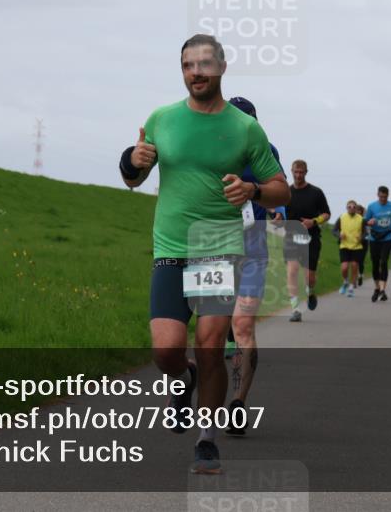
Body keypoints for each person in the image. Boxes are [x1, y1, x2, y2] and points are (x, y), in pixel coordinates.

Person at [119, 34, 289, 474]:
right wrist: (132, 159)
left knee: (211, 344)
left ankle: (207, 439)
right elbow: (133, 181)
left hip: (217, 247)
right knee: (166, 350)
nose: (196, 72)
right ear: (182, 70)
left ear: (221, 67)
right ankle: (183, 379)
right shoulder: (162, 118)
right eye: (187, 65)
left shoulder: (245, 127)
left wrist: (252, 188)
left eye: (204, 64)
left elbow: (279, 190)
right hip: (172, 246)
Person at [224, 96, 281, 437]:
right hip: (211, 247)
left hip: (252, 248)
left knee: (243, 325)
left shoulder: (266, 151)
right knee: (212, 330)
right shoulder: (209, 150)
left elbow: (278, 190)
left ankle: (238, 403)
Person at [282, 160, 330, 322]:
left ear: (306, 172)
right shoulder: (286, 193)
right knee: (292, 270)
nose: (298, 175)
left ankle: (310, 292)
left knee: (309, 277)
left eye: (301, 172)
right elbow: (279, 213)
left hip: (311, 238)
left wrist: (313, 221)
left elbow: (326, 214)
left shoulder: (316, 192)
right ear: (292, 171)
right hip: (291, 237)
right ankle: (295, 309)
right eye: (296, 172)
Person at [363, 186, 391, 302]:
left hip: (387, 237)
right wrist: (369, 222)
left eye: (385, 197)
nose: (383, 199)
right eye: (381, 196)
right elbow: (365, 221)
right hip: (374, 237)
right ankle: (376, 288)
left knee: (383, 262)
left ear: (388, 196)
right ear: (377, 195)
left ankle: (383, 290)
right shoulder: (371, 206)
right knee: (375, 263)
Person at [337, 200, 364, 297]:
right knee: (344, 268)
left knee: (354, 266)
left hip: (356, 247)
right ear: (346, 208)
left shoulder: (361, 219)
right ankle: (345, 282)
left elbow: (366, 232)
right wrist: (339, 235)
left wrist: (362, 236)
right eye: (349, 207)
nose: (351, 208)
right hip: (344, 246)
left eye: (353, 207)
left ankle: (352, 287)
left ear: (356, 208)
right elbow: (334, 230)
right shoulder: (341, 217)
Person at [355, 204, 368, 286]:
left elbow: (367, 232)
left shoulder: (364, 220)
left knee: (361, 261)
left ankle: (360, 275)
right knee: (354, 261)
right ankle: (354, 279)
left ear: (362, 212)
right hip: (354, 242)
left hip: (364, 242)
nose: (357, 212)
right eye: (356, 210)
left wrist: (362, 237)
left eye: (359, 210)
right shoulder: (351, 219)